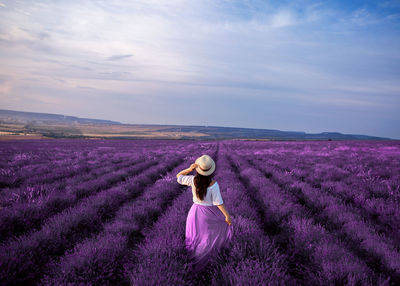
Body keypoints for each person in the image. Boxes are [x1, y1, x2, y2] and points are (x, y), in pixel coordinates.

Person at [176, 154, 233, 273]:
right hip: (208, 214)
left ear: (198, 169)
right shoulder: (214, 184)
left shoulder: (192, 180)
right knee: (208, 238)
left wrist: (189, 169)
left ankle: (192, 264)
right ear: (210, 171)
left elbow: (179, 176)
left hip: (194, 213)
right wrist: (227, 216)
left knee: (194, 238)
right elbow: (219, 203)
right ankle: (209, 264)